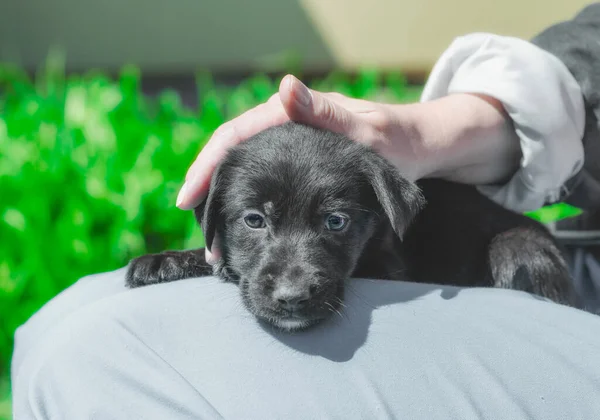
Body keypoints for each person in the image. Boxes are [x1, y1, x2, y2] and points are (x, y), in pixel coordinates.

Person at [11, 4, 600, 419]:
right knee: (67, 321)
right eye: (255, 221)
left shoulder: (396, 230)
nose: (292, 282)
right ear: (214, 217)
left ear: (383, 212)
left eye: (335, 222)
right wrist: (440, 129)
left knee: (89, 352)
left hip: (511, 295)